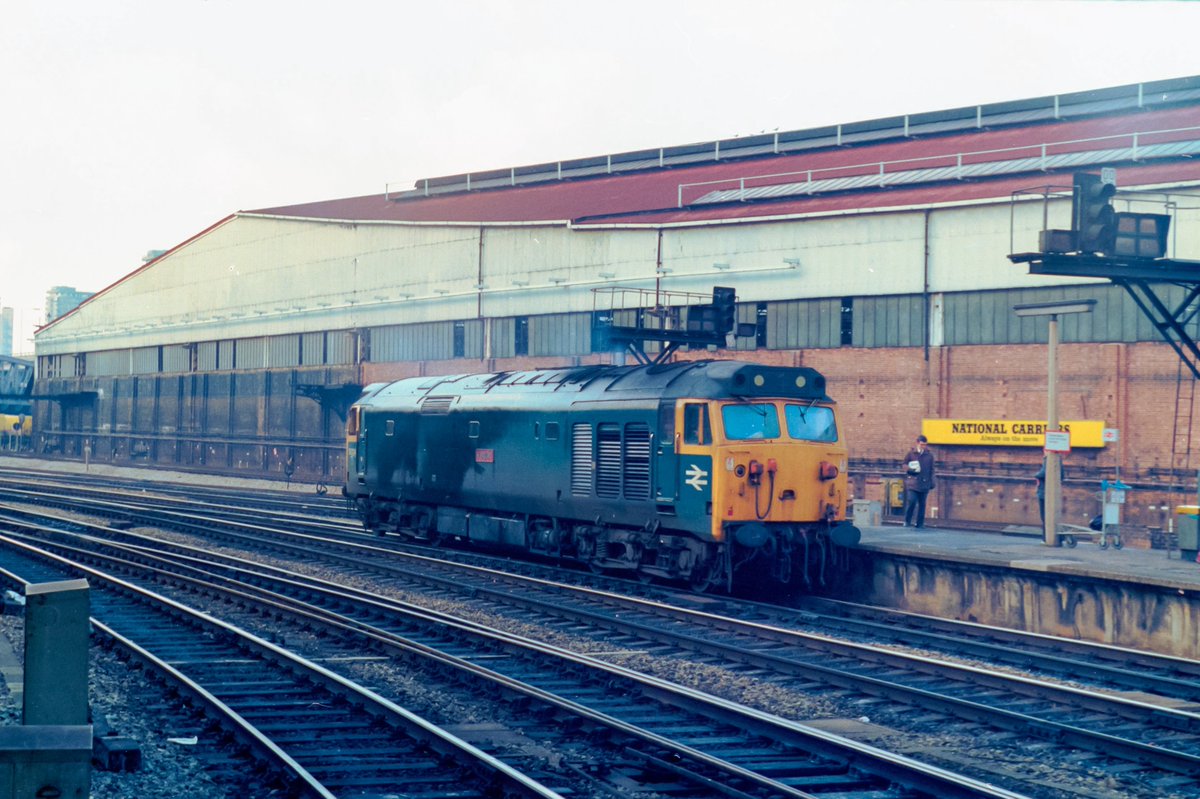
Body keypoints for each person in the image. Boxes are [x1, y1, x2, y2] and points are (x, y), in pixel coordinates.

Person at [902, 435, 935, 528]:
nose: (923, 446)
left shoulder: (929, 456)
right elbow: (904, 464)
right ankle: (907, 521)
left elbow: (932, 469)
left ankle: (920, 524)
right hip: (913, 483)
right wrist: (909, 469)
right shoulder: (911, 454)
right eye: (921, 444)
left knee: (922, 504)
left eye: (925, 445)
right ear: (917, 443)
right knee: (912, 501)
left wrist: (932, 482)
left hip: (925, 484)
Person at [1034, 455, 1064, 524]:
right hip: (1054, 493)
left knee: (1044, 517)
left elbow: (1043, 473)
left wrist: (1036, 475)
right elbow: (1062, 476)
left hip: (1043, 492)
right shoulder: (1059, 458)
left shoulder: (1048, 458)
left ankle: (1046, 534)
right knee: (1052, 516)